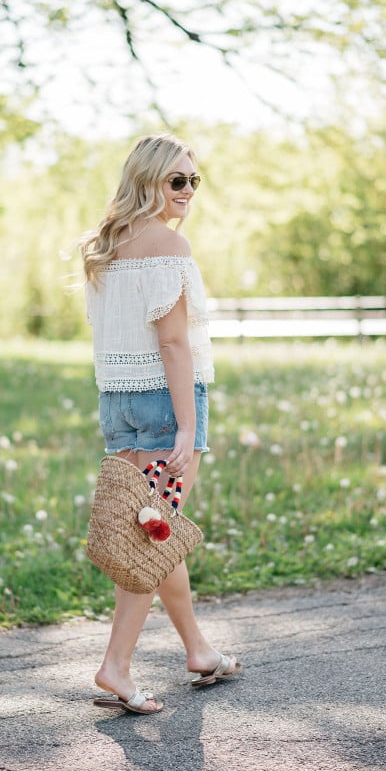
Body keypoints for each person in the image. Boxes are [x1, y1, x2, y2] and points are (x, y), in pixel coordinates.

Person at [80, 133, 240, 715]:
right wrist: (184, 425)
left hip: (118, 403)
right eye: (178, 180)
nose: (188, 191)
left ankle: (198, 650)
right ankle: (115, 668)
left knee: (155, 531)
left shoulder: (107, 244)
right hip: (162, 405)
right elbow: (173, 343)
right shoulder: (169, 247)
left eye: (194, 180)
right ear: (147, 181)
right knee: (152, 537)